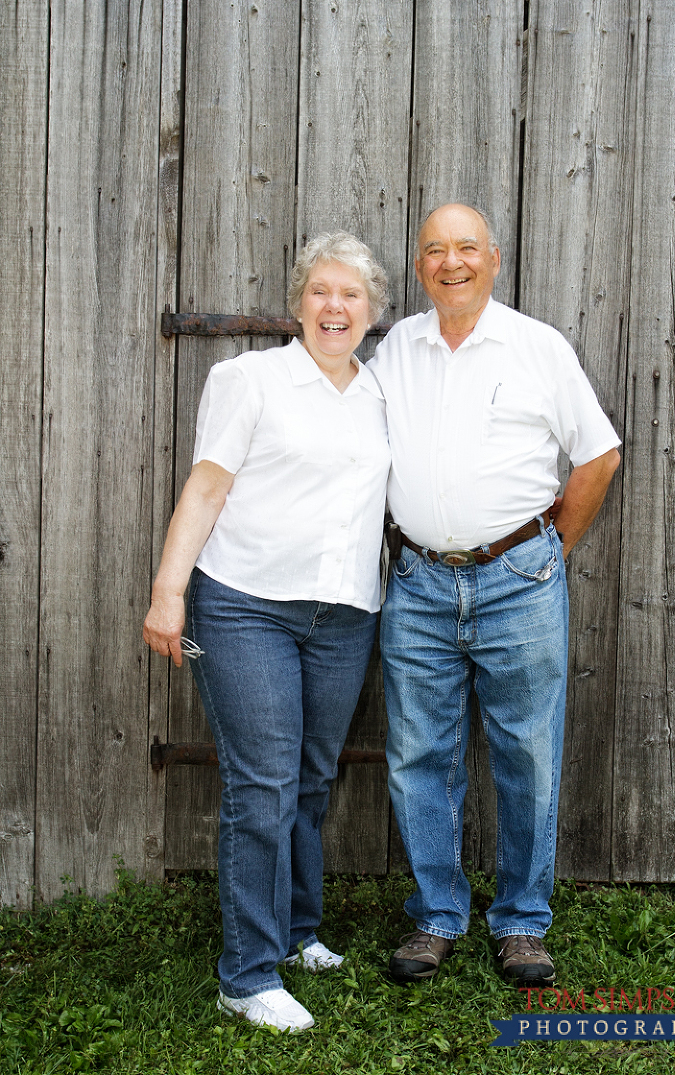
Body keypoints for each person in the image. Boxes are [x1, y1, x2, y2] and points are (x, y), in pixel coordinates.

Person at [368, 204, 620, 987]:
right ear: (419, 267)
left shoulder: (537, 347)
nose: (452, 262)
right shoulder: (394, 353)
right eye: (435, 249)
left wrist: (543, 554)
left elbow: (598, 456)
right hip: (416, 583)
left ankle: (520, 922)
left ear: (494, 258)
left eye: (466, 248)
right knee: (419, 754)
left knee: (528, 754)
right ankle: (437, 915)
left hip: (519, 582)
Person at [143, 233, 390, 1032]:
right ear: (297, 302)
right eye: (321, 290)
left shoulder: (380, 394)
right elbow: (207, 489)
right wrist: (168, 591)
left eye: (351, 294)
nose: (334, 307)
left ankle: (295, 932)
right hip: (246, 604)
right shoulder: (247, 379)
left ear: (372, 311)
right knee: (264, 784)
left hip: (345, 612)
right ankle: (246, 975)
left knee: (313, 778)